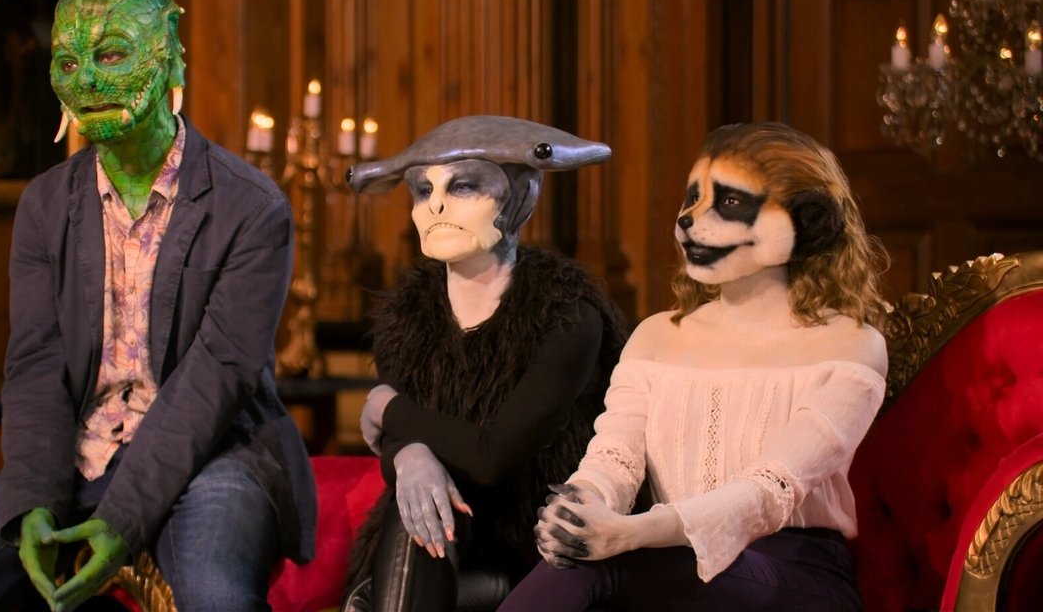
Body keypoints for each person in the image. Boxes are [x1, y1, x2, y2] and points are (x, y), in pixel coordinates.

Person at [0, 0, 316, 612]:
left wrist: (123, 518)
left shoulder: (251, 207)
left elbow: (216, 380)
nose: (86, 82)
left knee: (217, 597)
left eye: (111, 55)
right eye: (68, 63)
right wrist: (33, 502)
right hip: (79, 453)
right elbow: (35, 367)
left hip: (216, 454)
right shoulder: (44, 205)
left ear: (171, 62)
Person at [499, 122, 889, 611]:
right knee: (580, 558)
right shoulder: (657, 335)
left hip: (795, 577)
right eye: (692, 198)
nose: (689, 219)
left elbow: (768, 491)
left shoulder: (851, 344)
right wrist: (581, 509)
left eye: (729, 202)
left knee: (608, 563)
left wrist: (631, 534)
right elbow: (614, 459)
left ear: (806, 220)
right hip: (672, 562)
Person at [341, 115, 630, 611]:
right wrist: (408, 456)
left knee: (417, 530)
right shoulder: (407, 316)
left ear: (518, 199)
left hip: (541, 545)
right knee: (419, 513)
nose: (435, 205)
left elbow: (493, 456)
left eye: (463, 187)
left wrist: (386, 407)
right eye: (422, 190)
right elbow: (404, 437)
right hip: (452, 539)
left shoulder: (566, 312)